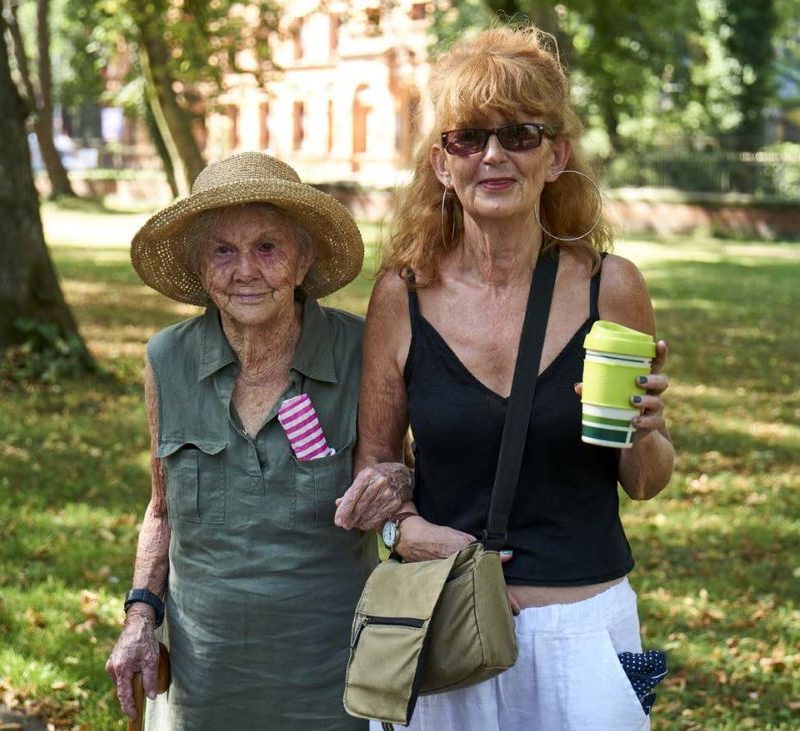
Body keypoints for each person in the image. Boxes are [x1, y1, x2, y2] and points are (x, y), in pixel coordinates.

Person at [338, 25, 674, 730]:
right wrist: (408, 529)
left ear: (557, 158)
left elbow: (644, 479)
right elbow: (374, 459)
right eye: (469, 137)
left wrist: (644, 432)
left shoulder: (610, 288)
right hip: (443, 626)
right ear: (440, 163)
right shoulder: (403, 295)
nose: (492, 155)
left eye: (520, 134)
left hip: (582, 634)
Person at [106, 152, 411, 730]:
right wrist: (140, 617)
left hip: (335, 679)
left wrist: (396, 482)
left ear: (304, 259)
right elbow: (161, 506)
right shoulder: (166, 359)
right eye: (222, 250)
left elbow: (405, 476)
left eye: (267, 247)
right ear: (201, 268)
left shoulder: (361, 349)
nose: (245, 269)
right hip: (205, 679)